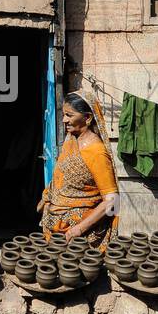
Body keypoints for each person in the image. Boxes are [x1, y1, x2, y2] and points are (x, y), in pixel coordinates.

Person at [37, 90, 120, 248]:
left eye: (69, 115)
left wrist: (78, 230)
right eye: (63, 114)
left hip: (79, 238)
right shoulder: (70, 141)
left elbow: (112, 201)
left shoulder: (96, 151)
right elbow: (61, 178)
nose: (63, 120)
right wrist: (48, 198)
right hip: (55, 231)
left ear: (87, 118)